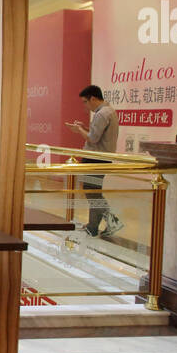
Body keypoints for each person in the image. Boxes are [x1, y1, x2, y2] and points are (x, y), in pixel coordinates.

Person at [66, 85, 121, 238]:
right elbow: (97, 134)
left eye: (85, 102)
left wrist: (79, 131)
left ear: (93, 98)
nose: (85, 106)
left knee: (92, 193)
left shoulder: (102, 114)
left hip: (95, 158)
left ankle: (112, 221)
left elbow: (93, 138)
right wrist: (84, 127)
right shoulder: (108, 111)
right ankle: (92, 226)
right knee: (93, 191)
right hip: (101, 158)